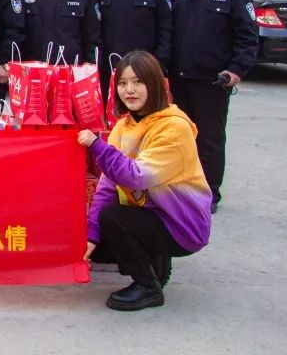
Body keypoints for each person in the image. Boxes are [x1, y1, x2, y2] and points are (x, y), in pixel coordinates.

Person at [79, 50, 212, 311]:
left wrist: (97, 146)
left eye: (138, 82)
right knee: (99, 239)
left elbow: (137, 177)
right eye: (122, 83)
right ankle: (156, 263)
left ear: (155, 84)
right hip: (151, 213)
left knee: (113, 218)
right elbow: (107, 186)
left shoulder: (174, 128)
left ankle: (147, 287)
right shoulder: (123, 126)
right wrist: (91, 235)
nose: (129, 90)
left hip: (181, 225)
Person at [167, 0, 258, 212]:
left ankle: (207, 195)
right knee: (177, 138)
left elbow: (248, 37)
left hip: (212, 81)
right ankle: (178, 190)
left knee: (209, 140)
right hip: (176, 79)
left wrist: (236, 71)